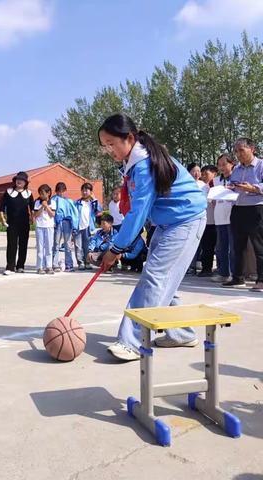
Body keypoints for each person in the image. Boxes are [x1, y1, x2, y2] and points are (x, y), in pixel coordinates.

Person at [98, 113, 207, 361]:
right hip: (168, 223)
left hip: (185, 221)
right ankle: (181, 333)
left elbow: (137, 214)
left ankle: (132, 342)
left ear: (129, 138)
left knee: (154, 277)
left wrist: (115, 249)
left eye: (111, 144)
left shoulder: (144, 165)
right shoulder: (135, 162)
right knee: (163, 279)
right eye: (105, 146)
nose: (109, 150)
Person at [223, 138, 263, 292]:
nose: (238, 154)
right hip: (237, 209)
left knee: (259, 246)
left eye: (241, 150)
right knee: (236, 246)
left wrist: (253, 188)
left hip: (255, 209)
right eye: (236, 151)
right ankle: (237, 277)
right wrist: (229, 189)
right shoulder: (238, 169)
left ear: (252, 148)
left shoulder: (261, 165)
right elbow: (233, 185)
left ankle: (261, 280)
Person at [0, 171, 34, 275]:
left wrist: (32, 218)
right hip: (12, 223)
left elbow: (32, 207)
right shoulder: (8, 191)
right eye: (18, 179)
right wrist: (2, 218)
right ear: (15, 181)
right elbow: (1, 206)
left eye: (22, 180)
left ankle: (20, 266)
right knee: (12, 245)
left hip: (24, 223)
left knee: (23, 245)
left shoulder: (29, 193)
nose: (19, 181)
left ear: (25, 182)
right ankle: (10, 266)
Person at [213, 154, 236, 283]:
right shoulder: (216, 181)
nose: (221, 167)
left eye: (224, 164)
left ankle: (235, 274)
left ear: (231, 163)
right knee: (221, 247)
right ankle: (223, 273)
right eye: (219, 164)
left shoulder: (237, 178)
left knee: (233, 248)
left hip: (233, 216)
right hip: (219, 216)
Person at [74, 183, 103, 270]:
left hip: (89, 227)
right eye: (83, 190)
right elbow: (73, 215)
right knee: (78, 246)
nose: (84, 192)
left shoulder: (92, 203)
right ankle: (80, 263)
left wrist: (94, 199)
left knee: (87, 246)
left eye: (86, 190)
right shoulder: (77, 203)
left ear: (91, 192)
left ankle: (87, 262)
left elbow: (99, 211)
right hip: (79, 227)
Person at [52, 182, 78, 272]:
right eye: (59, 191)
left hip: (67, 222)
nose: (61, 193)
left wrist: (74, 226)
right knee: (56, 243)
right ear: (56, 191)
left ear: (65, 191)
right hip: (57, 223)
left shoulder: (69, 201)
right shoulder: (53, 200)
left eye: (63, 191)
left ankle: (69, 264)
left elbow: (74, 214)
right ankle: (54, 264)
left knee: (67, 244)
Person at [198, 165, 218, 277]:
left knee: (220, 247)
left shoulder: (219, 185)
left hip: (219, 221)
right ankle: (206, 268)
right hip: (207, 221)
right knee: (207, 247)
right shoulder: (202, 188)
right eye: (203, 174)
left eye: (206, 173)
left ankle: (221, 268)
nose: (204, 176)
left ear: (214, 173)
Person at [33, 184, 56, 275]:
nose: (41, 195)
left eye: (43, 193)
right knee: (40, 247)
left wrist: (46, 206)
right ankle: (39, 267)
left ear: (48, 193)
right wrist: (42, 206)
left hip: (49, 226)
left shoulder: (53, 202)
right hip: (39, 226)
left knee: (49, 247)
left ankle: (49, 266)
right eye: (40, 193)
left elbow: (52, 215)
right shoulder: (37, 202)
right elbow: (36, 215)